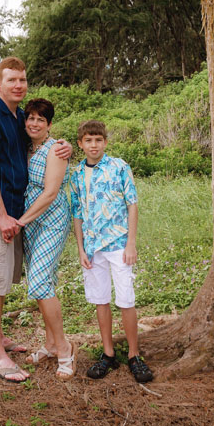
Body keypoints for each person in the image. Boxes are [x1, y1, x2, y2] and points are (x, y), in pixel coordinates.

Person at [0, 57, 71, 382]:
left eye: (22, 80)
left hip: (17, 216)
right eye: (11, 79)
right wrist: (1, 216)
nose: (18, 85)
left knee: (4, 280)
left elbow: (41, 146)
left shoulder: (18, 118)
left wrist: (64, 145)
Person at [70, 120, 154, 383]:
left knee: (126, 299)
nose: (93, 145)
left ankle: (133, 354)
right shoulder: (76, 175)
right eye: (88, 140)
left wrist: (131, 243)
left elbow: (132, 204)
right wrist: (81, 248)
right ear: (80, 144)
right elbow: (77, 214)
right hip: (93, 249)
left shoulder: (119, 167)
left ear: (105, 142)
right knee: (100, 299)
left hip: (119, 246)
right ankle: (108, 354)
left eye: (98, 140)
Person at [15, 98, 75, 380]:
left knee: (39, 279)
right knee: (43, 281)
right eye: (30, 118)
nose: (34, 123)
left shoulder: (56, 149)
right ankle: (50, 344)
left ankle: (64, 348)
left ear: (49, 125)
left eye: (40, 119)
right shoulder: (26, 147)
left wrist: (21, 221)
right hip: (31, 217)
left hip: (50, 217)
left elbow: (51, 192)